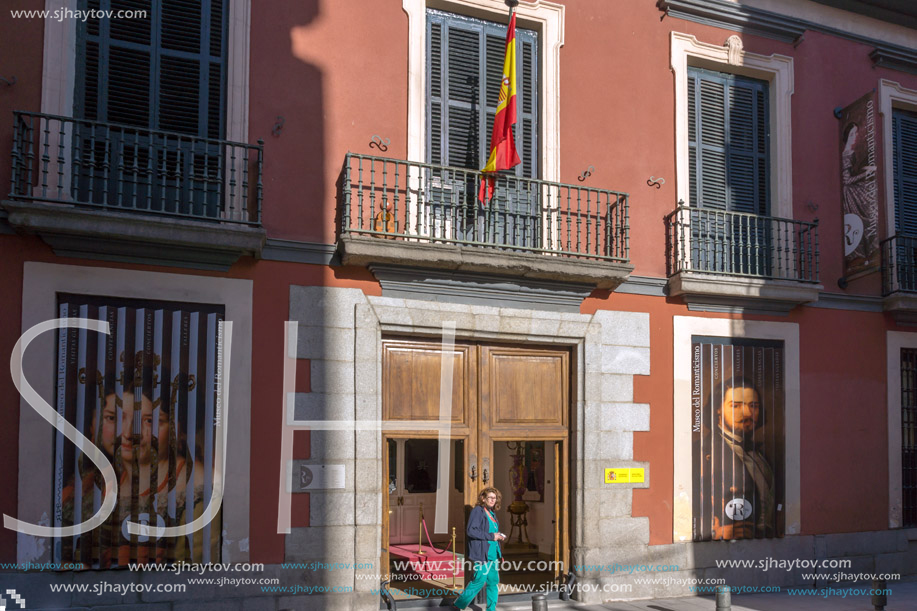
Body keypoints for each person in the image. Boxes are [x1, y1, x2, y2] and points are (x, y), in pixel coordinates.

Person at [697, 378, 776, 540]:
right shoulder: (701, 451)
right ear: (718, 409)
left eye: (753, 406)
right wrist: (715, 532)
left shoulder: (760, 454)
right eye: (736, 406)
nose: (747, 413)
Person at [453, 487, 507, 611]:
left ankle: (491, 609)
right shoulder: (478, 511)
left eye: (495, 498)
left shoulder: (492, 513)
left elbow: (491, 532)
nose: (493, 500)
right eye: (490, 497)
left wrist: (498, 536)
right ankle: (458, 605)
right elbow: (471, 531)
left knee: (493, 582)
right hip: (483, 554)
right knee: (478, 580)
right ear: (483, 498)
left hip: (493, 554)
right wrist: (492, 536)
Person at [841, 122, 878, 266]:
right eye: (854, 133)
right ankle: (865, 252)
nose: (856, 136)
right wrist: (867, 173)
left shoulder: (851, 151)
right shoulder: (846, 154)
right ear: (849, 135)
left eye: (856, 133)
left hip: (852, 188)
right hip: (850, 192)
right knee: (869, 213)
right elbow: (847, 181)